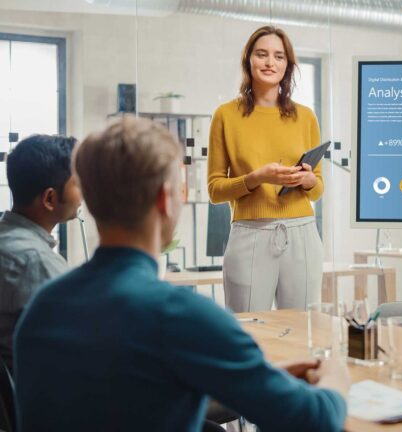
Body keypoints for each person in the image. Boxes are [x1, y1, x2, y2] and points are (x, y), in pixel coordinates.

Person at [14, 118, 349, 431]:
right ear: (165, 199)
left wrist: (261, 376)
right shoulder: (183, 316)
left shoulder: (43, 308)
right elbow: (315, 420)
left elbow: (129, 396)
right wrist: (335, 377)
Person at [208, 26, 324, 313]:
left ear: (288, 65)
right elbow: (214, 190)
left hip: (302, 233)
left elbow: (318, 189)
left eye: (279, 56)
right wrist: (257, 178)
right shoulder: (225, 115)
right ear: (249, 60)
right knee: (248, 331)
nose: (270, 63)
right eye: (262, 54)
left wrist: (308, 179)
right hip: (249, 234)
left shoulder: (305, 116)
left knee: (303, 331)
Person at [0, 134, 81, 373]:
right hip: (43, 401)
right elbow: (81, 342)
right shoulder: (35, 262)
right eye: (78, 184)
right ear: (49, 198)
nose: (83, 194)